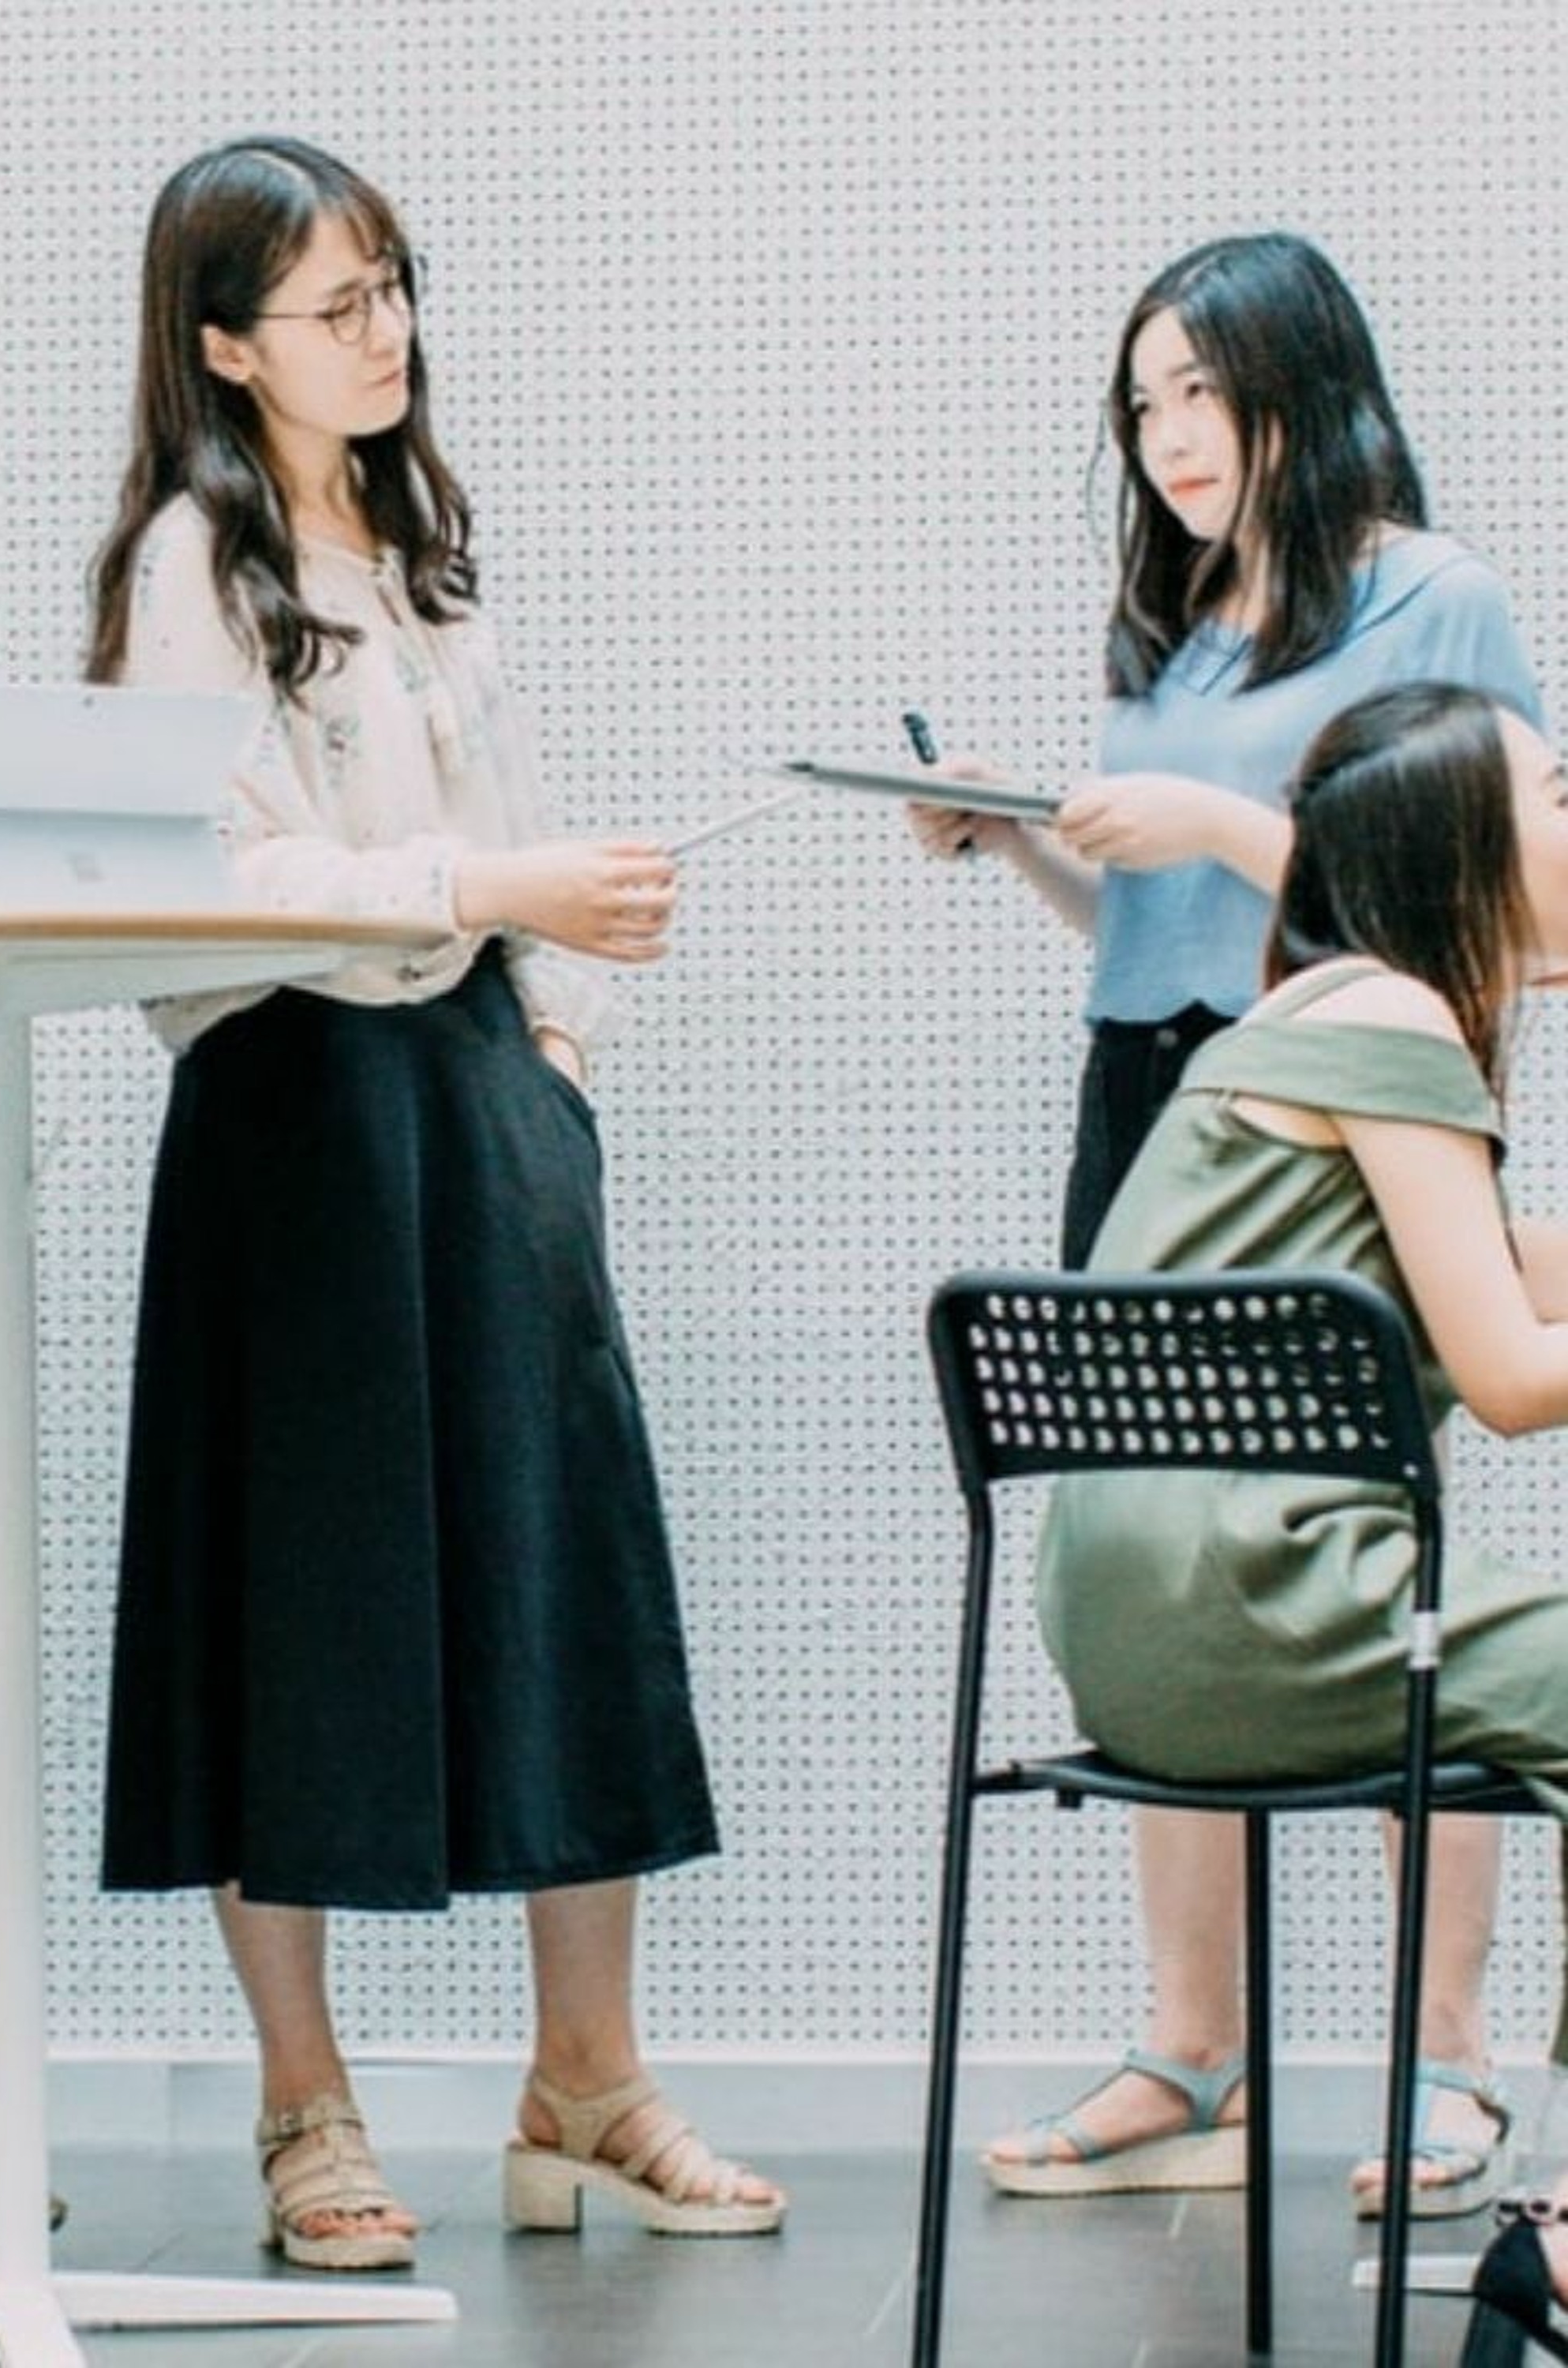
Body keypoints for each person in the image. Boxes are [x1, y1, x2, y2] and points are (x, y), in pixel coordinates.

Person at [84, 135, 780, 2272]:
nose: (384, 333)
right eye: (336, 304)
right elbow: (210, 882)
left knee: (564, 1568)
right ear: (225, 346)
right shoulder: (190, 565)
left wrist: (550, 1047)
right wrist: (491, 892)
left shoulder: (415, 538)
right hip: (296, 1109)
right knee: (292, 1592)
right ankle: (306, 2106)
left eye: (395, 287)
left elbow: (521, 827)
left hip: (478, 1086)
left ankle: (591, 2082)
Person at [911, 232, 1542, 2216]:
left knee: (1381, 1546)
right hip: (1162, 1089)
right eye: (1142, 402)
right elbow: (1151, 930)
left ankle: (1441, 2063)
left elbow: (1464, 888)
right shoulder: (1174, 633)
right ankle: (1196, 2049)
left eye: (1203, 390)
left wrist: (1208, 822)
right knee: (1170, 1531)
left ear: (1304, 386)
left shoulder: (1435, 599)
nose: (1169, 436)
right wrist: (1027, 839)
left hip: (1357, 1086)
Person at [1004, 680, 1568, 2364]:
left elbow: (1497, 1267)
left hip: (1142, 1624)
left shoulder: (1310, 1014)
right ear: (1464, 851)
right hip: (1263, 1598)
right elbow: (1510, 1374)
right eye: (1556, 792)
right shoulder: (1393, 1021)